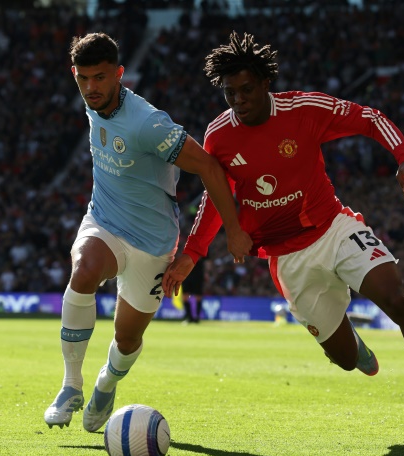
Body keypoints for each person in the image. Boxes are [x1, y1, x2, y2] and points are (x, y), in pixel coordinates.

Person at [162, 31, 404, 440]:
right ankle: (355, 345)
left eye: (246, 90)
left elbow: (370, 118)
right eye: (230, 93)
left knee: (397, 300)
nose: (239, 100)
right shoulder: (219, 136)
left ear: (265, 84)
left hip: (333, 228)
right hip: (287, 259)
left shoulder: (304, 109)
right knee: (347, 360)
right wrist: (193, 252)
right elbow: (215, 195)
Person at [43, 33, 252, 431]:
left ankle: (108, 382)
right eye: (84, 78)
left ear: (120, 74)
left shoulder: (149, 125)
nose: (92, 88)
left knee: (126, 339)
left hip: (153, 243)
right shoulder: (92, 104)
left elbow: (209, 167)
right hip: (104, 221)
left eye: (101, 78)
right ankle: (71, 385)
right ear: (75, 75)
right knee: (84, 271)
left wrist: (233, 228)